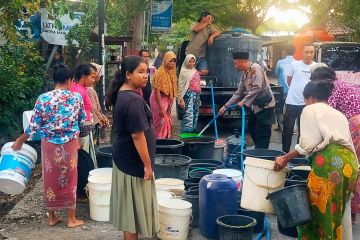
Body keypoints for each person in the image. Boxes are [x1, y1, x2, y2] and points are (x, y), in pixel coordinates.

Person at [274, 80, 358, 239]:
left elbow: (307, 145)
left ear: (310, 98)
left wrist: (285, 158)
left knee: (318, 213)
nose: (305, 103)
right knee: (335, 212)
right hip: (349, 165)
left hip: (329, 164)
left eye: (305, 100)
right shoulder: (338, 114)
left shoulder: (310, 109)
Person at [12, 64, 86, 228]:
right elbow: (82, 121)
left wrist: (20, 140)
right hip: (69, 144)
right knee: (70, 178)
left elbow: (33, 127)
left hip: (49, 145)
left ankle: (52, 217)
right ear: (69, 80)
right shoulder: (76, 98)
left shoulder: (43, 98)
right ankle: (71, 219)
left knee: (50, 178)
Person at [105, 56, 158, 240]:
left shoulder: (125, 94)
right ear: (128, 75)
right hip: (132, 163)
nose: (145, 76)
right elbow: (137, 136)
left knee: (130, 213)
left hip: (125, 159)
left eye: (146, 72)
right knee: (132, 216)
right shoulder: (132, 100)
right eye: (141, 72)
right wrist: (147, 165)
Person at [311, 66, 360, 224]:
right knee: (357, 167)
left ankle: (348, 212)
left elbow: (326, 117)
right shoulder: (346, 84)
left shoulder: (332, 89)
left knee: (348, 165)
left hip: (355, 124)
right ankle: (353, 211)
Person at [219, 52, 275, 149]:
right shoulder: (244, 74)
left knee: (262, 133)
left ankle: (262, 155)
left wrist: (244, 101)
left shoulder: (255, 68)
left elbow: (257, 87)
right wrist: (225, 106)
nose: (235, 66)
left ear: (242, 61)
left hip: (265, 106)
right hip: (255, 107)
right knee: (252, 128)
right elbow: (238, 92)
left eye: (236, 64)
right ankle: (258, 150)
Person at [282, 44, 316, 153]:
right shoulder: (294, 65)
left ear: (314, 53)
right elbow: (289, 81)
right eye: (307, 52)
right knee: (288, 129)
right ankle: (284, 152)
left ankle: (298, 154)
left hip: (307, 104)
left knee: (303, 132)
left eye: (311, 52)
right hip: (292, 102)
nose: (309, 54)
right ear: (302, 53)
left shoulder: (316, 67)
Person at [71, 63, 97, 166]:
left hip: (83, 130)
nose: (94, 80)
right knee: (82, 157)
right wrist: (76, 136)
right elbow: (75, 114)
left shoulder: (81, 88)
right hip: (80, 132)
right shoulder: (78, 91)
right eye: (92, 77)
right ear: (83, 77)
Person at [150, 51, 178, 139]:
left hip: (167, 100)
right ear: (165, 60)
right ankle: (157, 143)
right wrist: (161, 108)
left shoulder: (172, 72)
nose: (172, 63)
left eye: (174, 61)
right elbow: (157, 91)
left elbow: (173, 89)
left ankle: (164, 141)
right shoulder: (160, 73)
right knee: (160, 122)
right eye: (170, 61)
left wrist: (171, 103)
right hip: (158, 100)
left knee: (167, 121)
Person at [185, 11, 220, 76]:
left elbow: (218, 32)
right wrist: (206, 23)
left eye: (211, 18)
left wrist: (212, 36)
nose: (210, 20)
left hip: (202, 55)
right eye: (209, 18)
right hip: (191, 54)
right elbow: (196, 29)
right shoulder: (194, 24)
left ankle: (192, 74)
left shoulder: (209, 27)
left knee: (205, 72)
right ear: (203, 17)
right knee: (188, 71)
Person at [178, 54, 201, 133]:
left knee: (195, 115)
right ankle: (186, 135)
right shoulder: (184, 71)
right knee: (188, 116)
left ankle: (192, 134)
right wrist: (181, 99)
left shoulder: (195, 70)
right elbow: (180, 87)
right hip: (188, 96)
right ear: (186, 62)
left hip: (196, 96)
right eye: (190, 61)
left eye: (193, 61)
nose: (191, 63)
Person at [88, 63, 110, 145]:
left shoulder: (91, 87)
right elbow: (93, 108)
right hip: (93, 121)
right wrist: (102, 118)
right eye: (99, 73)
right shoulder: (89, 89)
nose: (101, 76)